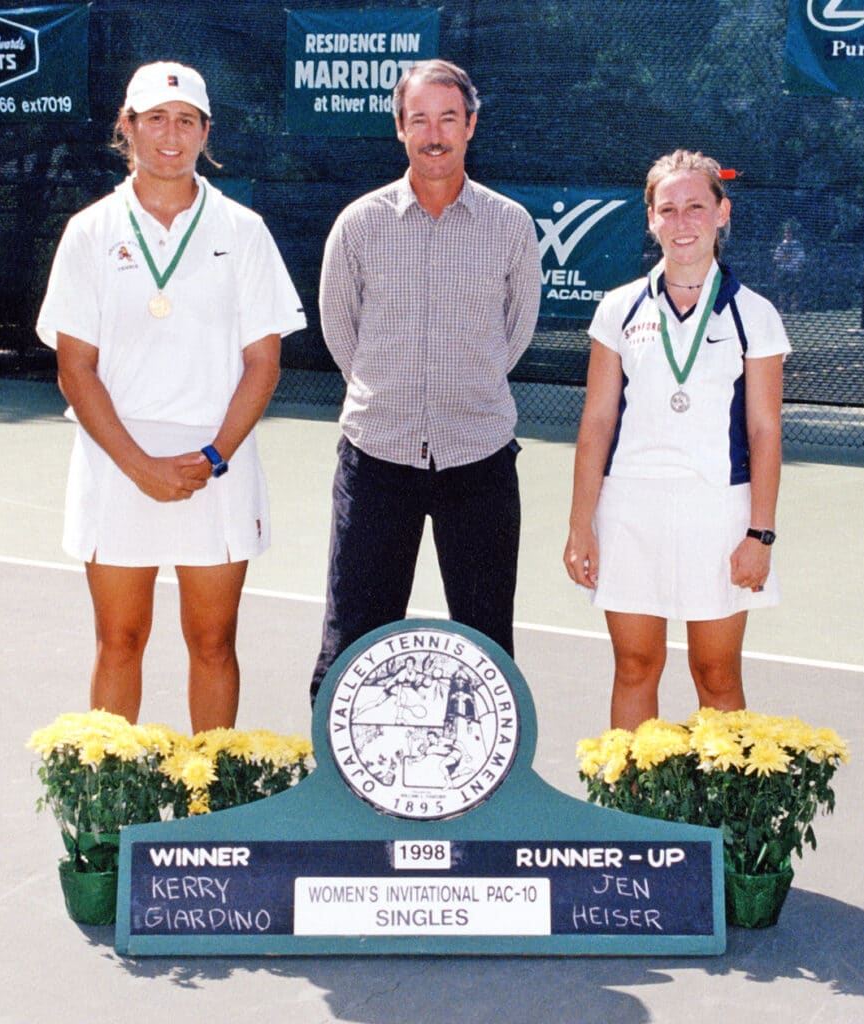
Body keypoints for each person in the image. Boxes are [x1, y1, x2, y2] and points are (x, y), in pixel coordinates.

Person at [36, 62, 306, 731]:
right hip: (115, 462)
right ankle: (107, 796)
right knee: (119, 641)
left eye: (186, 121)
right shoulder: (90, 231)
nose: (170, 135)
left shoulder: (243, 230)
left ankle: (209, 791)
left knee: (213, 643)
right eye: (155, 118)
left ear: (205, 133)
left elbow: (263, 365)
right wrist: (139, 465)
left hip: (215, 465)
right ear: (126, 127)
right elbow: (76, 369)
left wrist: (212, 457)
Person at [309, 59, 541, 704]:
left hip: (480, 458)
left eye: (447, 119)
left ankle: (484, 765)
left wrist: (463, 391)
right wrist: (391, 397)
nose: (434, 134)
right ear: (400, 128)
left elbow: (516, 332)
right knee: (352, 639)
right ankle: (338, 765)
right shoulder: (359, 223)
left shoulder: (510, 225)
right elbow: (340, 332)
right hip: (376, 459)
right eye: (419, 120)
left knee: (487, 641)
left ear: (470, 125)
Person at [563, 150, 790, 731]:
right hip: (629, 510)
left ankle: (724, 796)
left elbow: (765, 431)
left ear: (722, 213)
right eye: (668, 209)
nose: (682, 222)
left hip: (719, 514)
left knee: (717, 675)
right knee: (635, 667)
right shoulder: (618, 308)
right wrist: (581, 524)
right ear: (650, 219)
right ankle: (630, 792)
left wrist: (760, 534)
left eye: (696, 207)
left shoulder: (755, 314)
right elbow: (597, 421)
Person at [772, 223, 805, 312]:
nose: (787, 235)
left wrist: (798, 269)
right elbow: (776, 258)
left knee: (794, 289)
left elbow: (801, 258)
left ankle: (793, 308)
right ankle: (782, 307)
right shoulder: (781, 245)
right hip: (783, 270)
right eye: (786, 233)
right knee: (782, 289)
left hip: (794, 270)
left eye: (789, 233)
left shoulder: (797, 245)